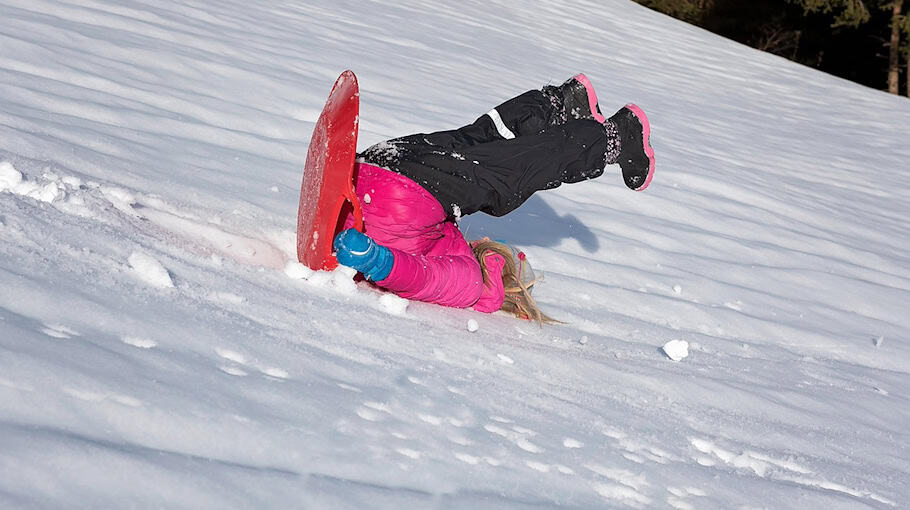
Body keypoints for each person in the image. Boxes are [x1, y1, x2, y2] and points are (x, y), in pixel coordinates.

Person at [332, 74, 655, 323]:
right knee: (477, 150)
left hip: (394, 183)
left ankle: (601, 129)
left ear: (500, 271)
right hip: (377, 173)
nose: (485, 237)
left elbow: (419, 277)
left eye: (497, 248)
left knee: (503, 170)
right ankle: (565, 110)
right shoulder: (453, 253)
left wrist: (374, 260)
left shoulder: (472, 284)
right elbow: (421, 270)